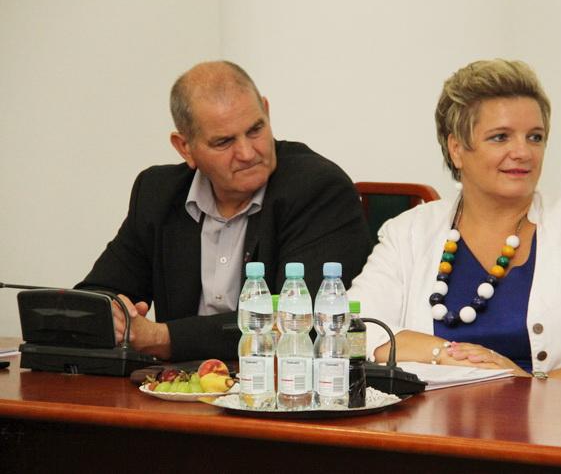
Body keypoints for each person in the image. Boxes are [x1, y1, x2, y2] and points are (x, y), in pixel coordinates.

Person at [348, 59, 561, 383]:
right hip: (430, 414)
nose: (523, 152)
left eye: (535, 137)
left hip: (554, 413)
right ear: (456, 149)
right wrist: (447, 354)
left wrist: (534, 390)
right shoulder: (409, 232)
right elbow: (349, 327)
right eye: (500, 137)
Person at [77, 61, 371, 362]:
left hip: (274, 383)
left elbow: (300, 323)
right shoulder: (158, 193)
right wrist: (118, 317)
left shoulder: (318, 188)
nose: (247, 153)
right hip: (179, 385)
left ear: (266, 111)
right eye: (224, 142)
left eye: (255, 130)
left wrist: (160, 337)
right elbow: (96, 298)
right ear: (184, 147)